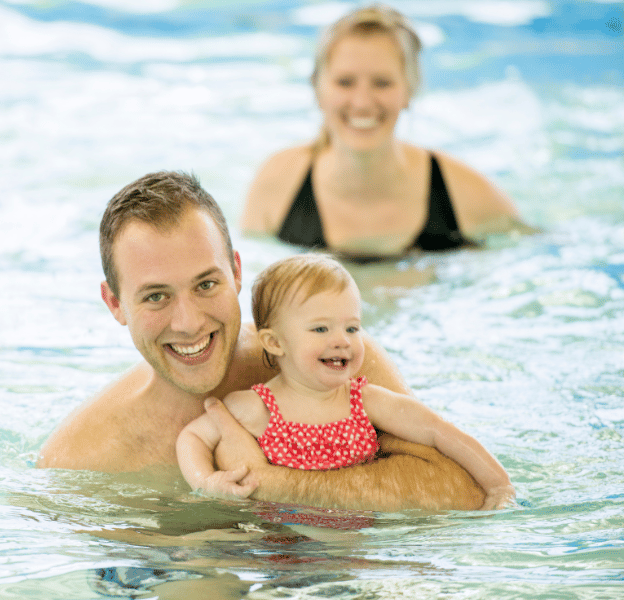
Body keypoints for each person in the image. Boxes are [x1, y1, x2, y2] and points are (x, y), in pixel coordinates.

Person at [38, 170, 486, 511]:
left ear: (236, 272)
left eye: (206, 285)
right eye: (156, 296)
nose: (189, 322)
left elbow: (463, 490)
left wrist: (276, 485)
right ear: (114, 303)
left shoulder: (330, 361)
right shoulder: (81, 459)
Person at [177, 254, 515, 510]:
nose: (342, 341)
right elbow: (192, 437)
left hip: (356, 548)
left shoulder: (365, 401)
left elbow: (440, 431)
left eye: (352, 328)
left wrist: (499, 487)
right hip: (281, 550)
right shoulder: (256, 407)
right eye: (321, 329)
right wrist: (206, 481)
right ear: (276, 343)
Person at [240, 4, 529, 259]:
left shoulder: (467, 196)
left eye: (382, 83)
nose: (363, 102)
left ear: (409, 90)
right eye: (344, 82)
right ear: (318, 89)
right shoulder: (276, 187)